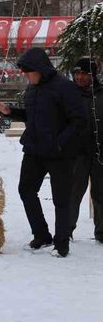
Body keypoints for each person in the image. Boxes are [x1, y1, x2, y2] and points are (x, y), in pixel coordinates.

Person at [0, 47, 86, 257]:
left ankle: (61, 245)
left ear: (40, 69)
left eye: (29, 72)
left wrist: (60, 143)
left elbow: (79, 120)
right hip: (34, 150)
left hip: (60, 153)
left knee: (61, 199)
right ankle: (42, 235)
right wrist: (9, 111)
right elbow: (32, 116)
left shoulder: (64, 88)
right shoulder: (32, 89)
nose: (27, 76)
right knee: (26, 190)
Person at [68, 57, 103, 242]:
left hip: (99, 153)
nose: (80, 77)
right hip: (77, 153)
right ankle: (67, 230)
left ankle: (101, 232)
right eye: (77, 73)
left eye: (84, 73)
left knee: (100, 193)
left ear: (93, 75)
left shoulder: (101, 94)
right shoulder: (69, 94)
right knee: (73, 193)